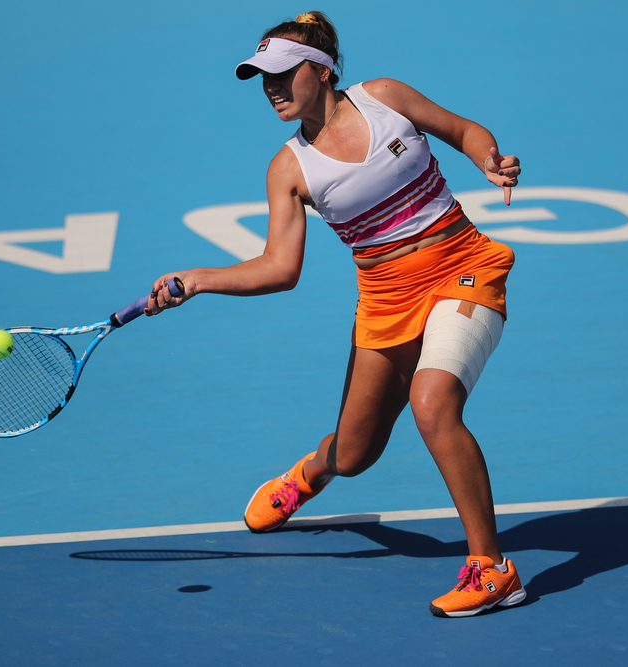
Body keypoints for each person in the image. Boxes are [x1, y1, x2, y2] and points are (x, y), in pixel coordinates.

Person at [146, 11, 524, 618]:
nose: (269, 88)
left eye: (280, 75)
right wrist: (199, 280)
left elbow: (462, 130)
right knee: (353, 455)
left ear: (320, 72)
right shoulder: (289, 169)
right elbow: (280, 268)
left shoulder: (386, 100)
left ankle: (493, 569)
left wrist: (489, 157)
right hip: (384, 299)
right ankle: (311, 473)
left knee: (433, 404)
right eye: (260, 78)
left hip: (462, 266)